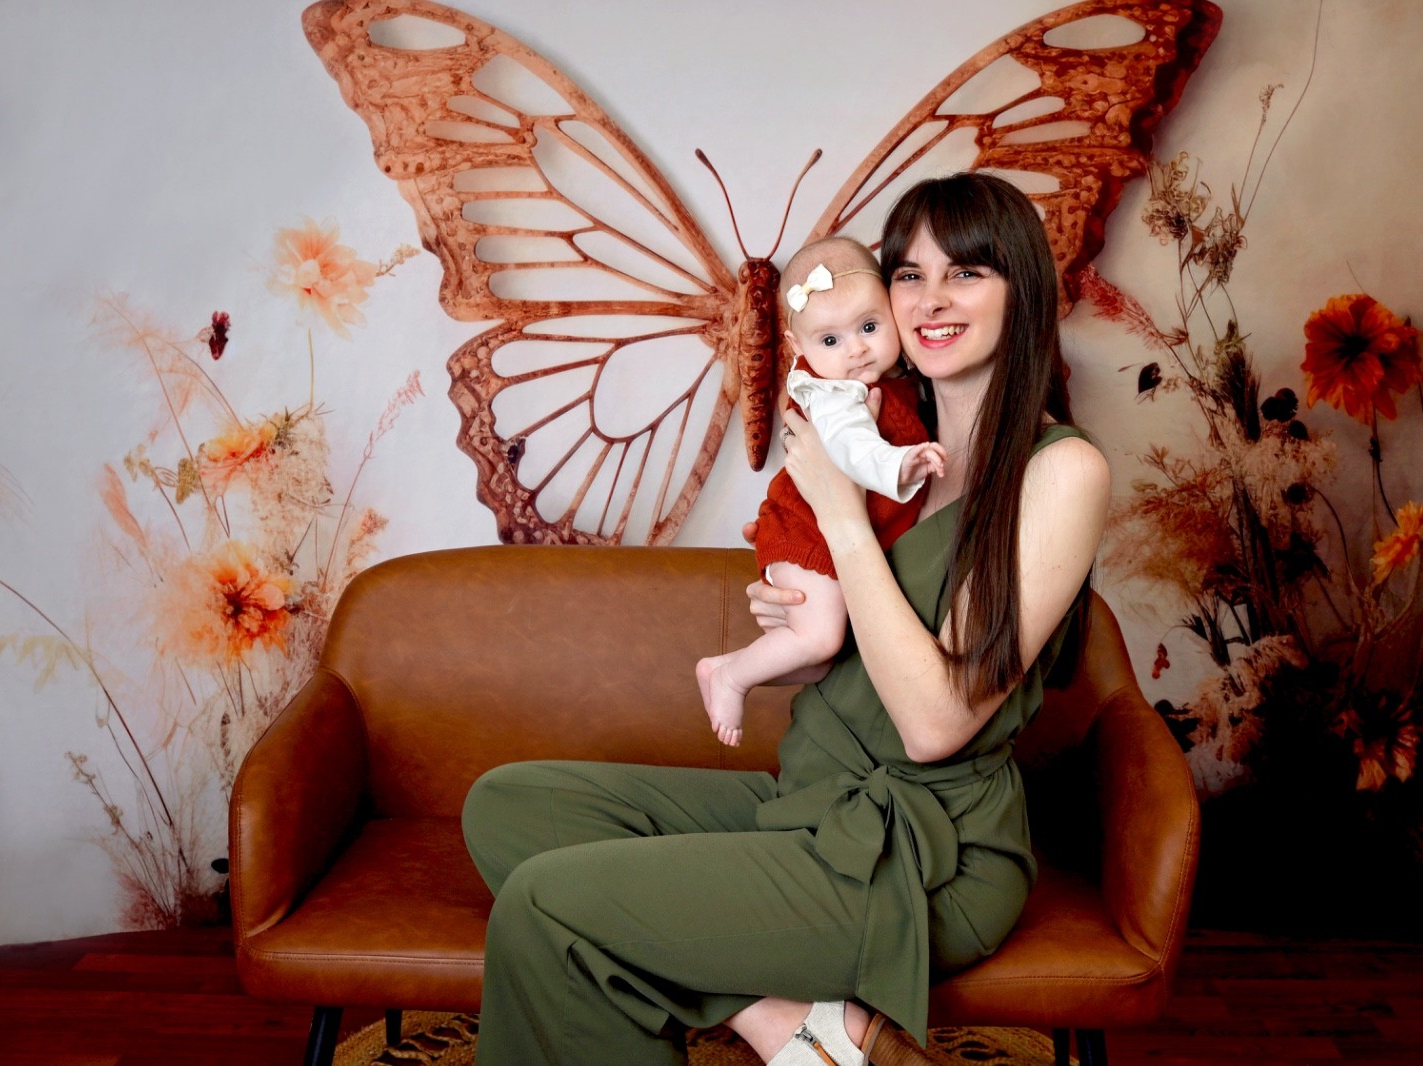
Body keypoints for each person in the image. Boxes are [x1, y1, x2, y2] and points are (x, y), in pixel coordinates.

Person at [460, 172, 1110, 1066]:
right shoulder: (889, 438)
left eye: (967, 273)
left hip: (924, 855)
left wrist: (840, 518)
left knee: (545, 906)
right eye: (909, 275)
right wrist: (804, 642)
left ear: (1023, 289)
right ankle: (796, 1028)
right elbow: (876, 659)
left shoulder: (1058, 471)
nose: (930, 299)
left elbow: (934, 722)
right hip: (814, 801)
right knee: (511, 806)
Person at [697, 236, 946, 747]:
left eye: (870, 328)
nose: (855, 350)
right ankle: (730, 674)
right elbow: (854, 449)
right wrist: (903, 461)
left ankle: (754, 665)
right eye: (829, 341)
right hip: (807, 531)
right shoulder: (833, 394)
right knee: (820, 637)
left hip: (834, 536)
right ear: (799, 347)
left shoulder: (891, 379)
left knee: (820, 653)